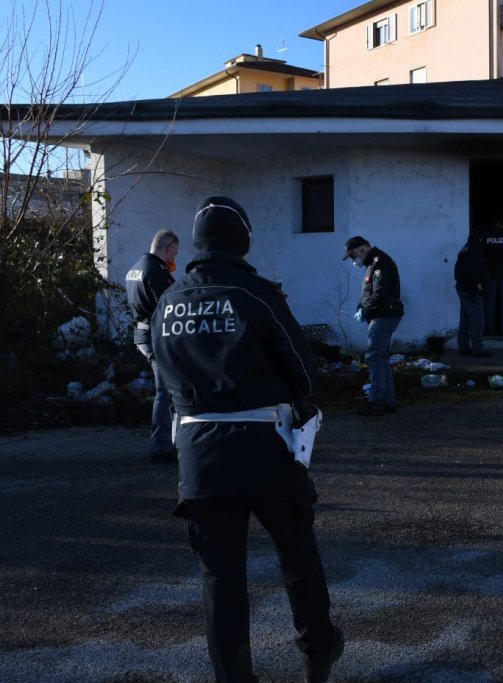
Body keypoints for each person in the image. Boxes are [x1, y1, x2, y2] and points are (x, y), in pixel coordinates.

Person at [152, 196, 342, 683]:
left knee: (220, 578)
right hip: (265, 447)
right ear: (243, 240)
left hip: (198, 454)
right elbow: (305, 371)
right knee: (297, 555)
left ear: (197, 242)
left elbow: (164, 376)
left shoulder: (168, 302)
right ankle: (317, 653)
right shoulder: (255, 294)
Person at [125, 229, 179, 463]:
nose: (174, 259)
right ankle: (161, 447)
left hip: (141, 334)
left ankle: (170, 441)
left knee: (167, 390)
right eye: (175, 253)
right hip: (155, 337)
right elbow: (173, 307)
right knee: (165, 392)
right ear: (168, 248)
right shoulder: (157, 271)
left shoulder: (136, 267)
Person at [345, 235, 404, 417]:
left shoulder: (379, 263)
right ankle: (387, 402)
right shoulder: (373, 263)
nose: (355, 259)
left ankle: (376, 401)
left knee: (373, 357)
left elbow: (380, 293)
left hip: (383, 316)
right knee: (381, 358)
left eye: (354, 255)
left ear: (362, 249)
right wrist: (361, 307)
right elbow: (369, 292)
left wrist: (365, 310)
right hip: (382, 315)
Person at [453, 233, 492, 357]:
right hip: (472, 290)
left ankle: (463, 346)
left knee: (465, 319)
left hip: (463, 288)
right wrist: (476, 285)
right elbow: (475, 269)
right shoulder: (475, 251)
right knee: (477, 320)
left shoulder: (465, 249)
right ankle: (478, 349)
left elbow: (459, 271)